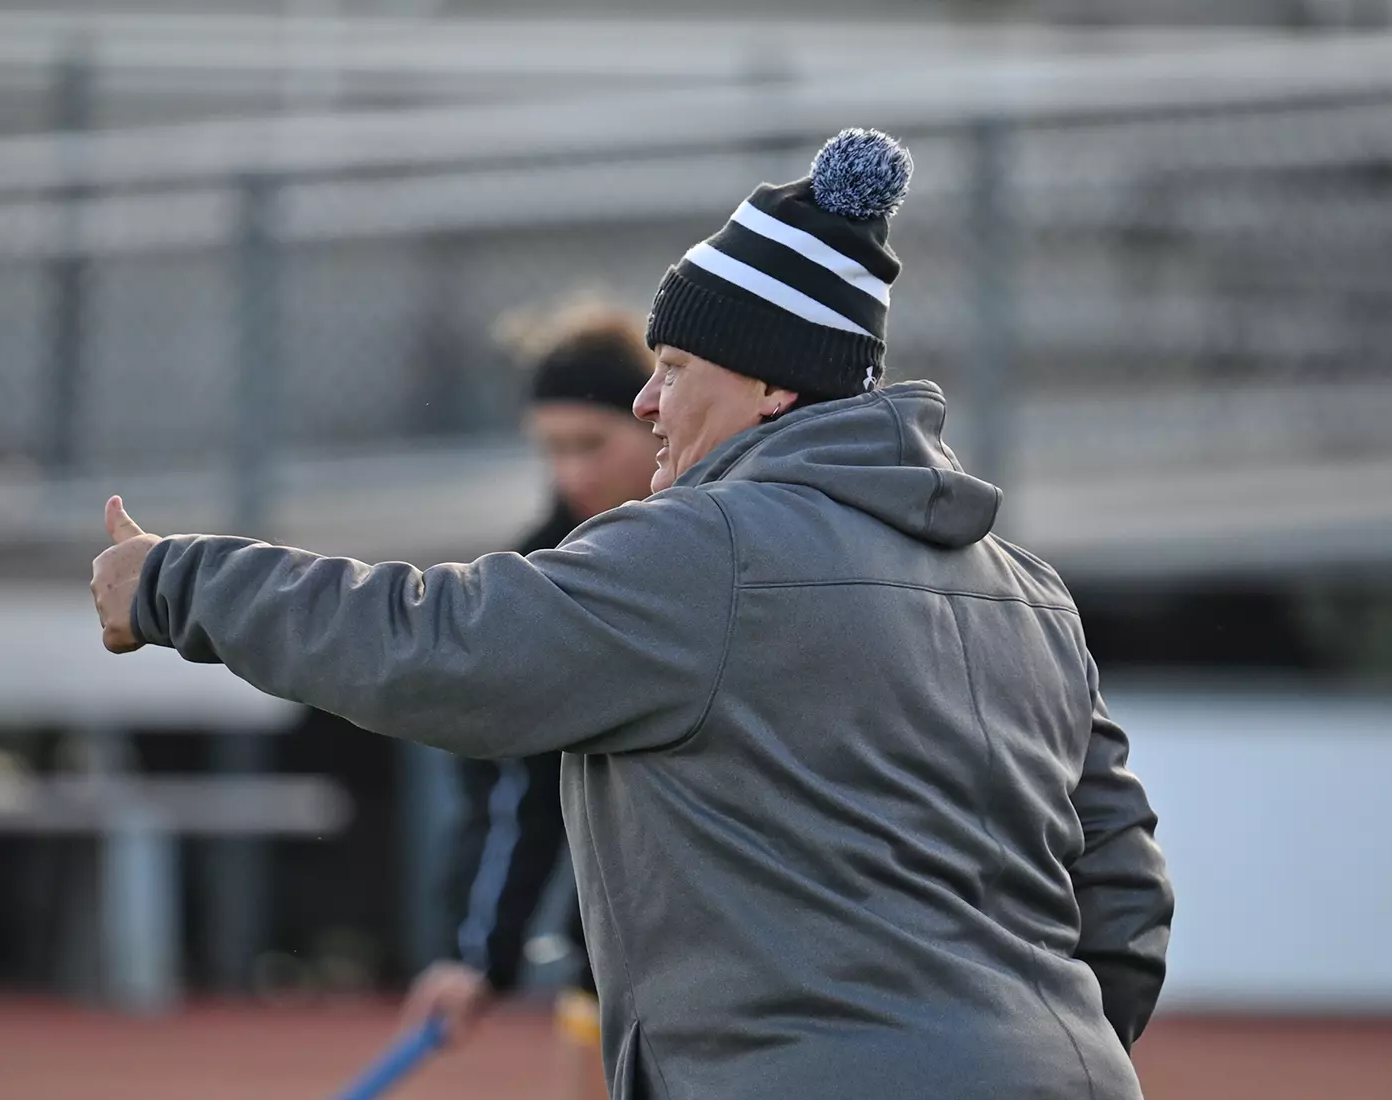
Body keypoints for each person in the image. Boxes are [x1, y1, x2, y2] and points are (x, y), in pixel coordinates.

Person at [92, 128, 1173, 1099]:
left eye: (673, 367)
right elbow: (1121, 884)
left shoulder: (701, 553)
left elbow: (435, 642)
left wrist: (176, 580)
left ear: (773, 388)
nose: (647, 402)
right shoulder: (1029, 590)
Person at [401, 300, 656, 1097]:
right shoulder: (538, 581)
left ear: (656, 422)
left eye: (592, 443)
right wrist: (477, 953)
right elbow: (518, 789)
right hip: (616, 960)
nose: (573, 474)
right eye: (553, 449)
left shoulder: (745, 548)